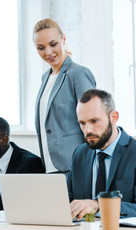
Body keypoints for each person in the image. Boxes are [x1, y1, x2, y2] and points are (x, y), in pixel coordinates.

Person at [67, 89, 136, 220]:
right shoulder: (80, 154)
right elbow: (66, 201)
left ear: (113, 118)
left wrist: (100, 206)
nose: (87, 130)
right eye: (82, 123)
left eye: (94, 121)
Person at [33, 18, 96, 173]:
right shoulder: (45, 78)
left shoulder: (78, 74)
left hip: (75, 165)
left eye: (53, 44)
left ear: (63, 40)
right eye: (41, 47)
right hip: (49, 166)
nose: (48, 52)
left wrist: (89, 166)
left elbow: (92, 122)